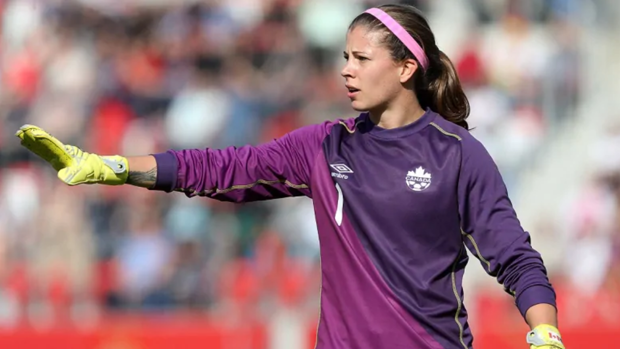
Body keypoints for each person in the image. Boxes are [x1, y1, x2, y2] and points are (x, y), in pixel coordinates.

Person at [16, 4, 564, 349]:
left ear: (405, 68)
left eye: (362, 58)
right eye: (345, 56)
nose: (346, 68)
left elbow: (514, 256)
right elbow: (222, 168)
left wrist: (544, 330)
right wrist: (110, 168)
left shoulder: (459, 155)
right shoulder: (324, 146)